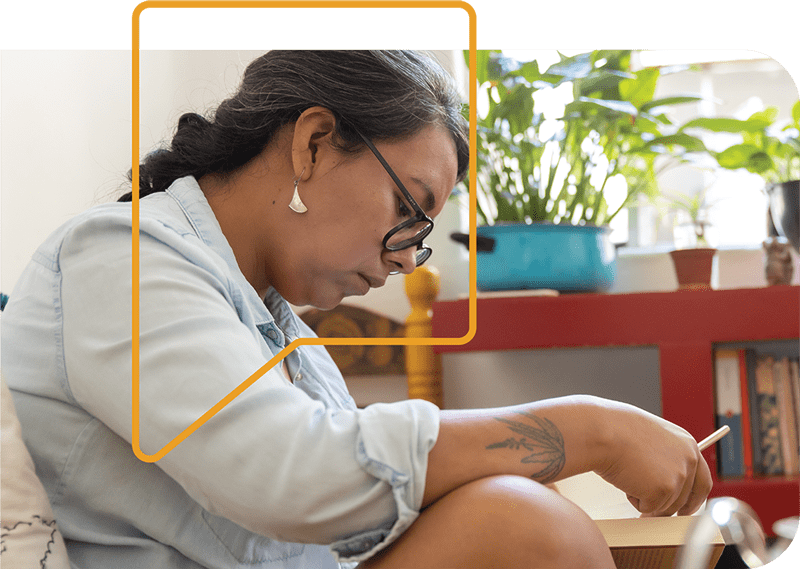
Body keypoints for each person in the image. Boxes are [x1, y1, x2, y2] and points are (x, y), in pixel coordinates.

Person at [1, 50, 712, 569]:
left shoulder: (281, 327)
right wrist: (591, 429)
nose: (406, 257)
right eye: (408, 208)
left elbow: (350, 511)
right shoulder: (116, 258)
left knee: (528, 523)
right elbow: (299, 477)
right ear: (312, 143)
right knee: (527, 531)